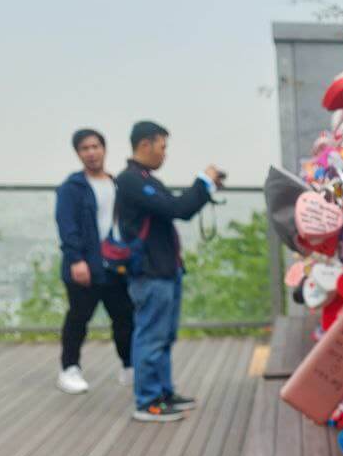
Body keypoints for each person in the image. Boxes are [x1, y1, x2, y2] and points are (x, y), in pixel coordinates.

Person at [115, 121, 224, 423]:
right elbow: (179, 209)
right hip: (150, 272)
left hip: (164, 269)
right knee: (151, 336)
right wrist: (203, 182)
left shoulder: (146, 178)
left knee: (163, 336)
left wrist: (206, 187)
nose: (165, 153)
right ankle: (148, 400)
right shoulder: (131, 181)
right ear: (145, 144)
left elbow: (177, 207)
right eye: (162, 146)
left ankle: (163, 393)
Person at [55, 128, 134, 394]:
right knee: (78, 317)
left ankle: (129, 366)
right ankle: (69, 369)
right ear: (78, 153)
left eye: (95, 147)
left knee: (124, 317)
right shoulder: (72, 187)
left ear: (104, 149)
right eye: (84, 148)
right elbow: (67, 226)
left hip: (115, 265)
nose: (91, 153)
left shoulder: (116, 183)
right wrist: (76, 259)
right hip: (85, 266)